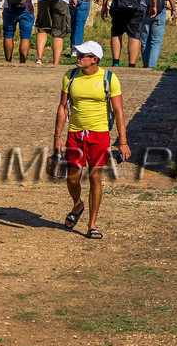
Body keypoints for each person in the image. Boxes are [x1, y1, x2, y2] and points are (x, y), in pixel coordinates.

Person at [53, 41, 129, 239]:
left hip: (100, 134)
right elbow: (63, 107)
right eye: (78, 53)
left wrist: (123, 141)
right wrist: (57, 136)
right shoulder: (70, 76)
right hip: (75, 134)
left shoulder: (109, 79)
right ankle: (78, 204)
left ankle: (92, 224)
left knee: (96, 177)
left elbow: (119, 111)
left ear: (94, 59)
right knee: (72, 177)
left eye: (82, 55)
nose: (77, 57)